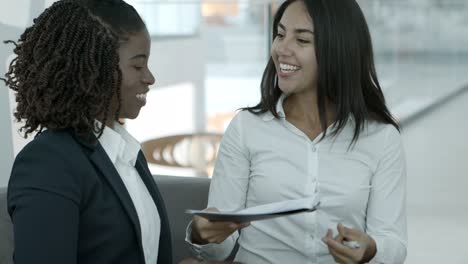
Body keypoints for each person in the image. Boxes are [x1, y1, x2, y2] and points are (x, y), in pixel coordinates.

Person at [186, 0, 407, 263]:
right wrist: (202, 234)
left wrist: (371, 249)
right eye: (280, 34)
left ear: (338, 50)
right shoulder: (246, 128)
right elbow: (218, 250)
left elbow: (392, 242)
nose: (281, 49)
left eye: (301, 40)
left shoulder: (381, 138)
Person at [2, 0, 173, 263]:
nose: (150, 78)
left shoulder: (126, 153)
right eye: (138, 66)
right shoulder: (48, 163)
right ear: (96, 66)